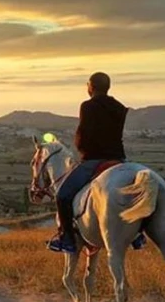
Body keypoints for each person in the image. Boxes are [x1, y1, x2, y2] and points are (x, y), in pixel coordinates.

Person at [47, 72, 144, 253]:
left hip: (94, 160)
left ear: (91, 86)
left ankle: (66, 239)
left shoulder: (88, 106)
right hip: (118, 160)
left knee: (62, 196)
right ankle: (137, 234)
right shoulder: (119, 107)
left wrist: (80, 148)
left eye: (88, 85)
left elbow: (84, 134)